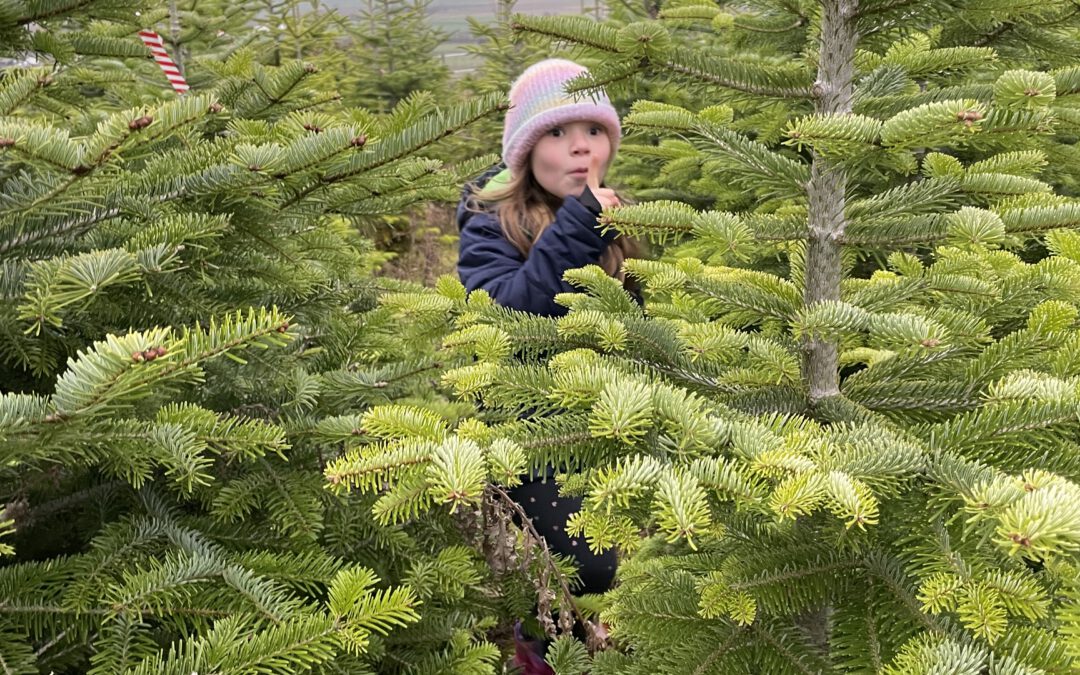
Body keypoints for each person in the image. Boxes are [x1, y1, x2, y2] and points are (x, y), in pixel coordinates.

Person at [455, 59, 641, 674]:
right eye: (559, 133)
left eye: (593, 129)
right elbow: (511, 313)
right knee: (573, 575)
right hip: (533, 439)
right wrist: (579, 224)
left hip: (613, 429)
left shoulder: (618, 217)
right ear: (527, 149)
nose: (580, 146)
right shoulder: (490, 221)